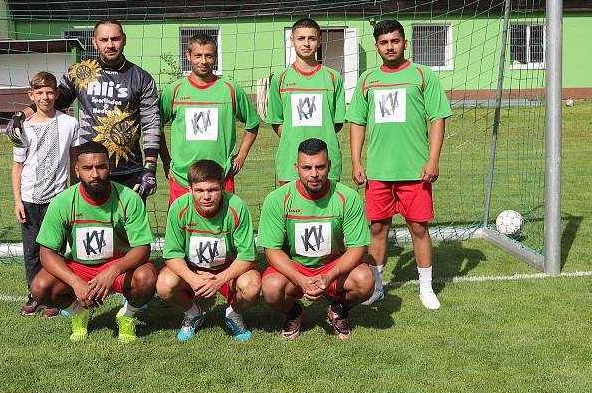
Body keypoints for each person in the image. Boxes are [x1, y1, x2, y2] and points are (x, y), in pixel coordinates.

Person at [346, 19, 452, 309]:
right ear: (377, 46)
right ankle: (377, 288)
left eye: (395, 40)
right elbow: (356, 122)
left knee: (419, 228)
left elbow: (437, 118)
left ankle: (426, 288)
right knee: (377, 229)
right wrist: (356, 161)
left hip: (415, 171)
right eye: (383, 42)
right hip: (379, 171)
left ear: (405, 43)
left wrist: (433, 159)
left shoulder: (422, 75)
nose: (389, 46)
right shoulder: (367, 79)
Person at [7, 19, 161, 199]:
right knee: (91, 226)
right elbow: (54, 100)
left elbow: (151, 123)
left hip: (128, 171)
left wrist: (150, 168)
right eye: (104, 40)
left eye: (115, 39)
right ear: (94, 42)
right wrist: (21, 115)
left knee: (128, 226)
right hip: (90, 171)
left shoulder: (142, 78)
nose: (110, 45)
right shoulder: (79, 72)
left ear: (124, 40)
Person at [30, 141, 157, 342]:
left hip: (118, 267)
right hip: (80, 268)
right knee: (40, 287)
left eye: (101, 167)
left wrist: (113, 271)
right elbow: (47, 253)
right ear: (77, 170)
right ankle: (78, 312)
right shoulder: (63, 202)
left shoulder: (129, 199)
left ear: (110, 167)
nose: (95, 174)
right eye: (88, 168)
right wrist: (76, 283)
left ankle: (127, 316)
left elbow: (143, 248)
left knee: (147, 277)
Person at [258, 138, 373, 340]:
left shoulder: (348, 197)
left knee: (365, 281)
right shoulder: (277, 199)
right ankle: (293, 313)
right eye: (307, 167)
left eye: (320, 167)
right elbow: (272, 250)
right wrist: (300, 279)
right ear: (296, 168)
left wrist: (328, 277)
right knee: (270, 288)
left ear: (329, 166)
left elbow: (358, 248)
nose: (314, 174)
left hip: (332, 267)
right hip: (295, 267)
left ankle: (339, 310)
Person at [156, 159, 260, 341]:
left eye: (212, 189)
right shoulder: (179, 208)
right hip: (192, 269)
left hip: (228, 269)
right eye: (199, 190)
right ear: (190, 189)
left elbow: (247, 255)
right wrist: (192, 278)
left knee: (252, 285)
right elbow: (172, 254)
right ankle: (192, 314)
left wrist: (219, 280)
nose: (206, 196)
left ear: (223, 186)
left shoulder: (237, 207)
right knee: (164, 285)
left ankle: (234, 315)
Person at [159, 33, 259, 205]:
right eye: (198, 55)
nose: (203, 61)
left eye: (208, 56)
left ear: (215, 57)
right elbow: (155, 127)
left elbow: (253, 123)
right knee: (181, 229)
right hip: (182, 179)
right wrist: (166, 160)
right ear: (188, 55)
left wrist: (241, 155)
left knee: (221, 229)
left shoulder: (230, 89)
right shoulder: (174, 91)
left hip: (220, 178)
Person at [11, 71, 80, 317]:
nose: (45, 97)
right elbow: (17, 167)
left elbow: (74, 162)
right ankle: (34, 293)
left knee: (54, 251)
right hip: (30, 199)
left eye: (50, 92)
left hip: (58, 199)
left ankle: (52, 296)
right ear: (31, 95)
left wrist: (74, 193)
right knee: (31, 251)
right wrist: (18, 200)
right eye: (39, 93)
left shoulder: (70, 123)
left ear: (58, 94)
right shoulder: (23, 128)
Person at [266, 18, 346, 185]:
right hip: (291, 162)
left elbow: (336, 124)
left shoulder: (333, 77)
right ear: (292, 41)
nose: (306, 43)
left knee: (328, 211)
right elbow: (277, 122)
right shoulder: (280, 79)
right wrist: (295, 135)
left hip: (325, 161)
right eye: (301, 38)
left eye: (312, 38)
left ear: (319, 41)